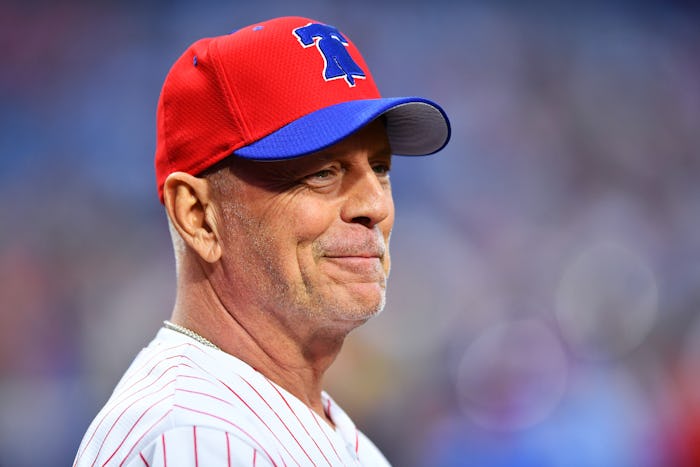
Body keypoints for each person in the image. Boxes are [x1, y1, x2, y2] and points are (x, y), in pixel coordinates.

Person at [74, 15, 450, 466]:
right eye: (323, 172)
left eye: (381, 168)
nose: (375, 205)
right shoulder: (198, 436)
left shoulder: (326, 434)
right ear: (197, 216)